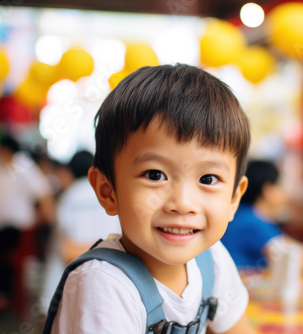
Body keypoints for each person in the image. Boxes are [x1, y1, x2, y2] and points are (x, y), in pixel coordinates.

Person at [47, 64, 254, 333]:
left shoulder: (211, 261)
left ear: (233, 199)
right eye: (155, 175)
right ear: (107, 191)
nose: (182, 203)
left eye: (208, 179)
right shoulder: (103, 284)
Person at [39, 150, 121, 313]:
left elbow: (64, 240)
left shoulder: (68, 197)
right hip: (108, 272)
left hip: (69, 272)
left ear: (70, 171)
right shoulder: (108, 194)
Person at [221, 159, 303, 273]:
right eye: (280, 185)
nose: (284, 191)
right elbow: (293, 260)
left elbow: (285, 247)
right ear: (268, 190)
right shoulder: (252, 222)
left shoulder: (240, 213)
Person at [0, 133, 54, 309]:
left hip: (17, 230)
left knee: (5, 254)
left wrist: (48, 219)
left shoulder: (24, 166)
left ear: (6, 150)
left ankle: (3, 294)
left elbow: (44, 192)